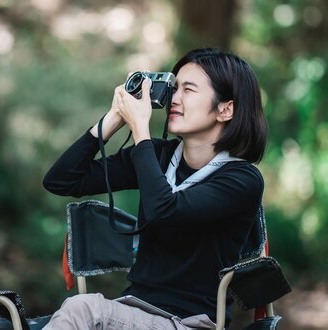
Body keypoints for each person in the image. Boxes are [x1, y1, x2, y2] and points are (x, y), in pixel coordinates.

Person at [41, 48, 268, 329]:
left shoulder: (242, 179)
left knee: (81, 309)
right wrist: (114, 118)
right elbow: (62, 180)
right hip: (132, 309)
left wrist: (141, 131)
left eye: (189, 89)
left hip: (190, 322)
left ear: (225, 109)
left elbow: (165, 209)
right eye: (174, 88)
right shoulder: (159, 156)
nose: (174, 98)